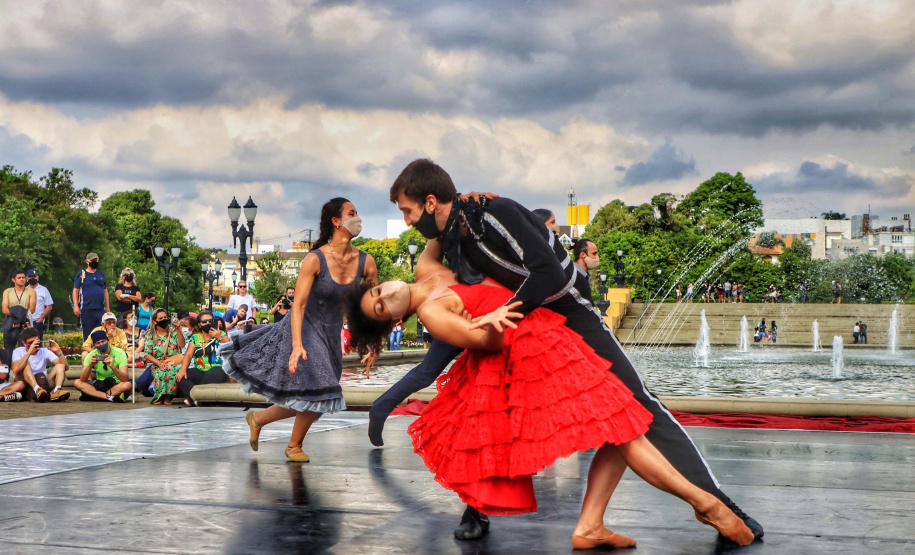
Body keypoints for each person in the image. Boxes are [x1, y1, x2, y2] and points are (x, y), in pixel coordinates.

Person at [370, 159, 762, 544]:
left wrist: (504, 310)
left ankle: (721, 504)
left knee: (639, 405)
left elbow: (549, 274)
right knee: (498, 420)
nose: (406, 221)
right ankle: (488, 510)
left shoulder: (495, 213)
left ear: (431, 202)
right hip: (528, 329)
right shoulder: (457, 229)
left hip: (568, 315)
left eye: (408, 211)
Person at [227, 198, 378, 463]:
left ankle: (258, 419)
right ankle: (294, 446)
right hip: (303, 327)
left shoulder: (367, 262)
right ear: (336, 221)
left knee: (317, 394)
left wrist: (372, 342)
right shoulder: (315, 259)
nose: (358, 218)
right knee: (324, 388)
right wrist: (297, 345)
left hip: (331, 332)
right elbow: (298, 305)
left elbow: (371, 307)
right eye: (352, 213)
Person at [176, 311, 231, 406]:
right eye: (204, 321)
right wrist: (183, 370)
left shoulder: (221, 334)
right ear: (199, 324)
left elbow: (229, 347)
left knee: (214, 372)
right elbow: (188, 355)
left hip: (217, 369)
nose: (207, 323)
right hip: (200, 370)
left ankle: (195, 398)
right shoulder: (195, 337)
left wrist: (218, 337)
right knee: (181, 377)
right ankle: (198, 399)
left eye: (210, 321)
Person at [11, 328, 69, 402]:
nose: (35, 344)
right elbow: (15, 370)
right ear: (24, 343)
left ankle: (57, 390)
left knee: (60, 365)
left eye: (37, 341)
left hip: (42, 381)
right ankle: (37, 389)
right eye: (31, 342)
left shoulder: (44, 351)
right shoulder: (18, 351)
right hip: (24, 382)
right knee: (26, 363)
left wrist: (59, 352)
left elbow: (65, 367)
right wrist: (29, 353)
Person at [74, 329, 131, 402]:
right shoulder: (91, 355)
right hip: (99, 385)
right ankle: (109, 397)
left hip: (115, 385)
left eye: (103, 341)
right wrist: (90, 366)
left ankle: (94, 395)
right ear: (94, 345)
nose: (101, 344)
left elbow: (125, 379)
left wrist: (113, 367)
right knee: (77, 382)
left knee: (127, 385)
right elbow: (82, 379)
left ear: (107, 340)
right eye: (98, 343)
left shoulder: (120, 353)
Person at [143, 308, 186, 405]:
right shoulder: (150, 334)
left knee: (169, 368)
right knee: (162, 369)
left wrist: (178, 329)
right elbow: (147, 354)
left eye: (165, 317)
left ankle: (167, 396)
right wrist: (159, 363)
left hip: (174, 362)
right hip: (158, 363)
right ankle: (161, 396)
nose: (164, 319)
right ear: (154, 321)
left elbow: (182, 345)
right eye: (161, 318)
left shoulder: (173, 331)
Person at [72, 253, 110, 340]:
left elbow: (105, 290)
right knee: (88, 334)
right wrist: (76, 306)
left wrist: (107, 306)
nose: (95, 262)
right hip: (87, 309)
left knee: (101, 333)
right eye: (92, 260)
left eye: (96, 260)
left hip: (100, 309)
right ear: (87, 261)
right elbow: (75, 290)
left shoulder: (101, 275)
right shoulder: (82, 274)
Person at [3, 270, 37, 351]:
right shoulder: (7, 291)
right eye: (19, 278)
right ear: (13, 279)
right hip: (11, 323)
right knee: (8, 350)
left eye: (23, 277)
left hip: (25, 323)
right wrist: (16, 319)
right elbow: (4, 309)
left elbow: (32, 309)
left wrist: (20, 320)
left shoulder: (31, 292)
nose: (21, 279)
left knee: (24, 350)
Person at [25, 269, 53, 340]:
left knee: (38, 342)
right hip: (26, 321)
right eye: (30, 277)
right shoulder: (24, 290)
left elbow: (49, 306)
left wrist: (41, 319)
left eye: (34, 277)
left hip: (37, 321)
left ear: (37, 278)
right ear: (27, 278)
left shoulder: (44, 290)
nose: (32, 278)